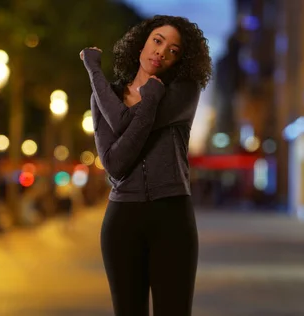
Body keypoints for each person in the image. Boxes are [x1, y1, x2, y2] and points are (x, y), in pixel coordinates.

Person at [80, 15, 211, 316]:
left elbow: (125, 122)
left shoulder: (183, 92)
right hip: (122, 221)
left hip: (172, 217)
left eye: (174, 50)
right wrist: (100, 82)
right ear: (141, 44)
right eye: (157, 40)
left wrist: (93, 71)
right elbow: (115, 163)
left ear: (179, 61)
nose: (162, 52)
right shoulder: (105, 96)